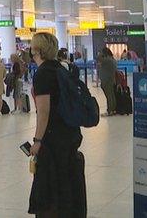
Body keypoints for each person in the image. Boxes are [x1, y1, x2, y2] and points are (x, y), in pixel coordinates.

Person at [28, 32, 85, 217]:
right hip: (69, 132)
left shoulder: (43, 73)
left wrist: (37, 140)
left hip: (53, 138)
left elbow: (43, 112)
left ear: (37, 50)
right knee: (65, 181)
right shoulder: (61, 69)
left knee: (50, 185)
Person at [97, 48, 117, 117]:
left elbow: (98, 58)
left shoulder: (107, 60)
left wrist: (100, 53)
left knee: (108, 96)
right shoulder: (113, 60)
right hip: (111, 80)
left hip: (106, 80)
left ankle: (109, 111)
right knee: (111, 95)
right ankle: (113, 110)